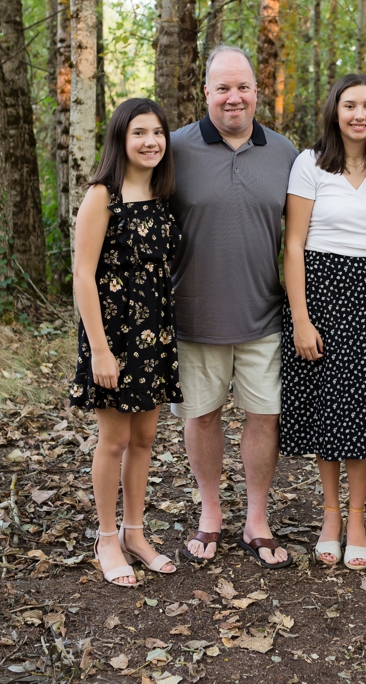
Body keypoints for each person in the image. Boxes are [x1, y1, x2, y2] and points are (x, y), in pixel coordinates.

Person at [168, 46, 301, 569]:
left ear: (256, 91)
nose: (233, 97)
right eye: (222, 88)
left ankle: (256, 519)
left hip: (263, 315)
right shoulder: (173, 148)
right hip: (194, 316)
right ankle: (210, 514)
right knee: (202, 417)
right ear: (206, 92)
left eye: (242, 87)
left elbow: (311, 228)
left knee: (264, 418)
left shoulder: (285, 153)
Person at [279, 75, 366, 570]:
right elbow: (293, 244)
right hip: (317, 294)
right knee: (326, 409)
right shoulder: (309, 163)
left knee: (361, 409)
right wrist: (301, 318)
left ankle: (357, 520)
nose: (359, 114)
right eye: (350, 105)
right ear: (335, 110)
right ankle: (330, 516)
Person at [71, 99, 184, 586]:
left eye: (158, 132)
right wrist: (99, 349)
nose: (150, 141)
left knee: (144, 439)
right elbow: (82, 273)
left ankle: (134, 533)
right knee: (114, 439)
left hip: (154, 333)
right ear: (121, 138)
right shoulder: (103, 194)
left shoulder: (162, 192)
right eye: (139, 132)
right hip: (113, 334)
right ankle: (106, 539)